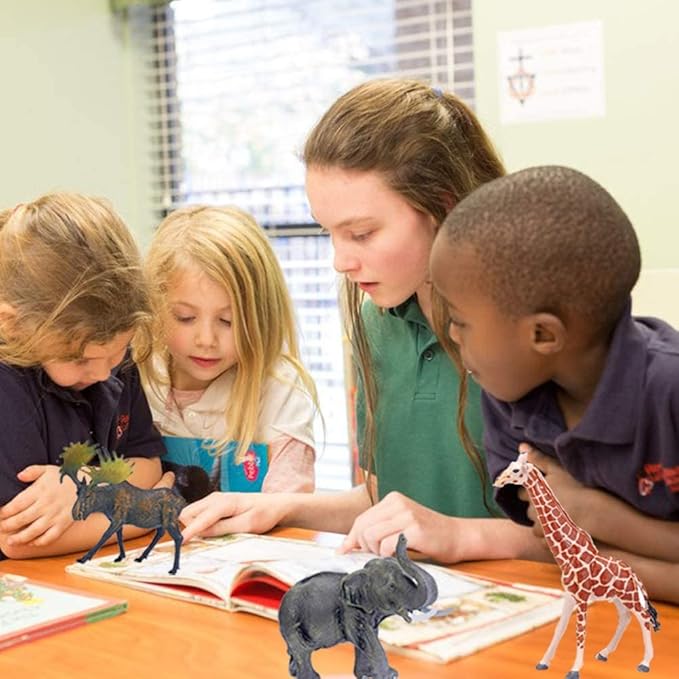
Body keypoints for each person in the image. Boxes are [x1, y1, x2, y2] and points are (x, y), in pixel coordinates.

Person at [181, 79, 546, 564]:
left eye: (361, 233)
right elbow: (386, 498)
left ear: (444, 207)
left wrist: (462, 536)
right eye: (329, 233)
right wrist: (278, 507)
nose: (341, 262)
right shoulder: (378, 323)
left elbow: (606, 541)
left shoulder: (539, 330)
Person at [430, 164, 679, 602]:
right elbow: (561, 553)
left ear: (543, 335)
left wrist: (595, 515)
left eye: (460, 321)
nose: (451, 334)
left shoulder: (669, 391)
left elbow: (582, 558)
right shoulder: (510, 398)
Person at [0, 193, 168, 559]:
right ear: (13, 325)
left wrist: (84, 483)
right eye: (80, 359)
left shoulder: (109, 346)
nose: (104, 372)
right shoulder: (7, 383)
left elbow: (148, 465)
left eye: (118, 351)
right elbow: (19, 540)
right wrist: (153, 511)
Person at [136, 205, 318, 503]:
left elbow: (288, 507)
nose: (207, 340)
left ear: (261, 317)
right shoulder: (134, 378)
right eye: (185, 317)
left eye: (228, 321)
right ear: (155, 308)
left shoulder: (278, 389)